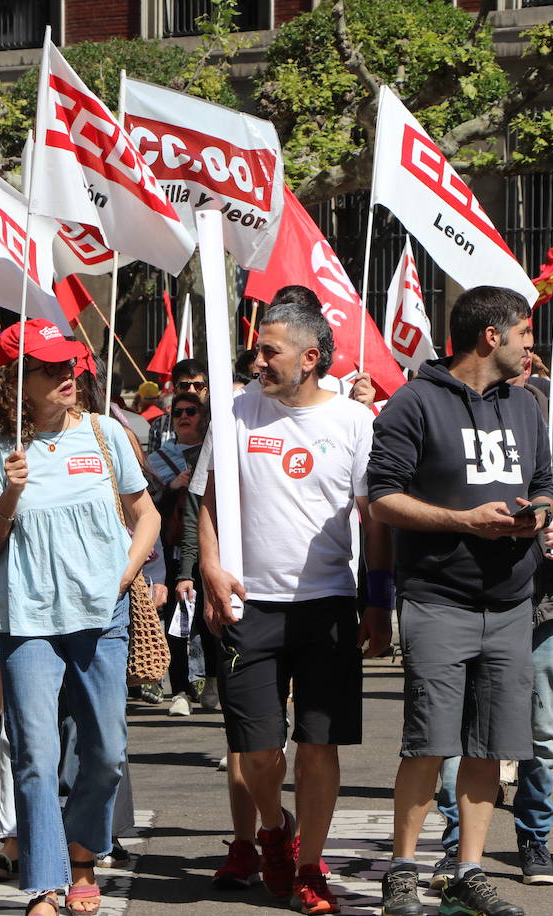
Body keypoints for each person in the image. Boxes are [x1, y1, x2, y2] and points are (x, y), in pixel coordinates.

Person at [196, 291, 393, 916]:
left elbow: (376, 517)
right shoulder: (234, 412)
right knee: (257, 750)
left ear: (310, 357)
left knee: (318, 747)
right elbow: (207, 501)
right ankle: (273, 831)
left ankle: (310, 866)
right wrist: (208, 567)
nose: (258, 362)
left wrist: (377, 599)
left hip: (328, 604)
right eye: (257, 350)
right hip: (248, 608)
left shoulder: (354, 423)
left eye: (269, 351)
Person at [368, 286, 553, 916]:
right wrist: (464, 522)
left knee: (490, 746)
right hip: (437, 600)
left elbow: (545, 486)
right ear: (491, 336)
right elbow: (383, 498)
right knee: (428, 741)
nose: (533, 343)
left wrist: (542, 518)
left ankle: (466, 872)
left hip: (511, 605)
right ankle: (402, 868)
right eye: (526, 332)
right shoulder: (414, 403)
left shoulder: (528, 406)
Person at [0, 318, 160, 916]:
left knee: (106, 754)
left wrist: (126, 573)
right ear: (19, 382)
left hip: (101, 616)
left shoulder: (106, 434)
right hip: (26, 622)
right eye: (50, 369)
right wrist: (7, 497)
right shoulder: (1, 454)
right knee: (34, 755)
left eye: (68, 364)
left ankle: (84, 854)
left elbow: (146, 514)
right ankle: (45, 884)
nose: (67, 375)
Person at [435, 359, 553, 889]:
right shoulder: (454, 414)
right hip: (469, 598)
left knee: (539, 729)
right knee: (457, 730)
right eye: (519, 338)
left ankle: (534, 836)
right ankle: (455, 842)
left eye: (531, 344)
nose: (525, 354)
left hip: (543, 604)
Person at [147, 390, 211, 717]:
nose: (184, 417)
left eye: (191, 411)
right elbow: (143, 504)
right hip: (173, 551)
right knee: (178, 621)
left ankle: (212, 680)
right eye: (178, 413)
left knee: (210, 620)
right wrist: (170, 488)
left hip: (209, 551)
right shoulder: (160, 457)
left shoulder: (215, 454)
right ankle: (181, 689)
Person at [147, 358, 209, 452]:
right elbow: (152, 465)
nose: (191, 391)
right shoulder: (159, 425)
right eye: (184, 386)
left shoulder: (217, 424)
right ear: (175, 391)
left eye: (198, 386)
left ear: (205, 391)